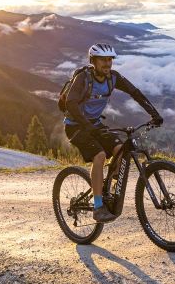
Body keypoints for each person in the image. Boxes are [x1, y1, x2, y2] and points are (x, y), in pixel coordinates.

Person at [65, 43, 163, 222]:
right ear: (93, 61)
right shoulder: (83, 78)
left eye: (110, 59)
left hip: (94, 124)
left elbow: (135, 92)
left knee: (120, 149)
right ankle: (98, 205)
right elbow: (70, 103)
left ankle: (108, 189)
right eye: (103, 60)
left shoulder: (113, 78)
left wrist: (154, 113)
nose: (107, 63)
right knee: (100, 155)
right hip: (75, 126)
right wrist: (87, 125)